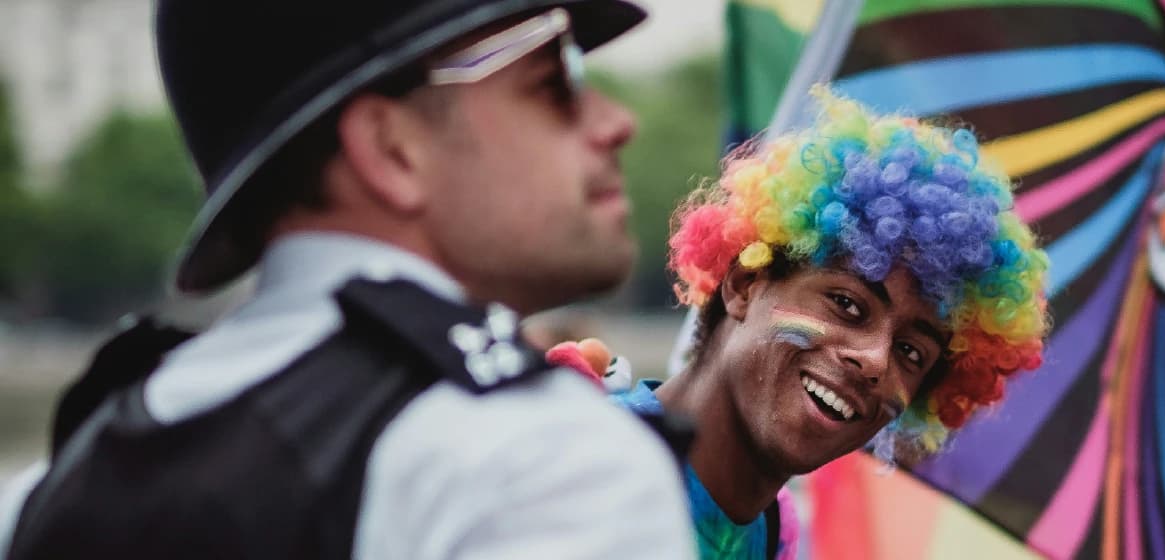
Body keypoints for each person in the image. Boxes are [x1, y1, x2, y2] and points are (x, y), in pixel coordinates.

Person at [0, 1, 696, 559]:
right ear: (392, 149)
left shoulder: (55, 484)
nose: (616, 121)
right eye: (555, 80)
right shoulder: (548, 469)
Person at [612, 88, 1049, 558]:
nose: (875, 360)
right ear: (744, 284)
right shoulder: (584, 465)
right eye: (847, 303)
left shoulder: (774, 533)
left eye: (911, 352)